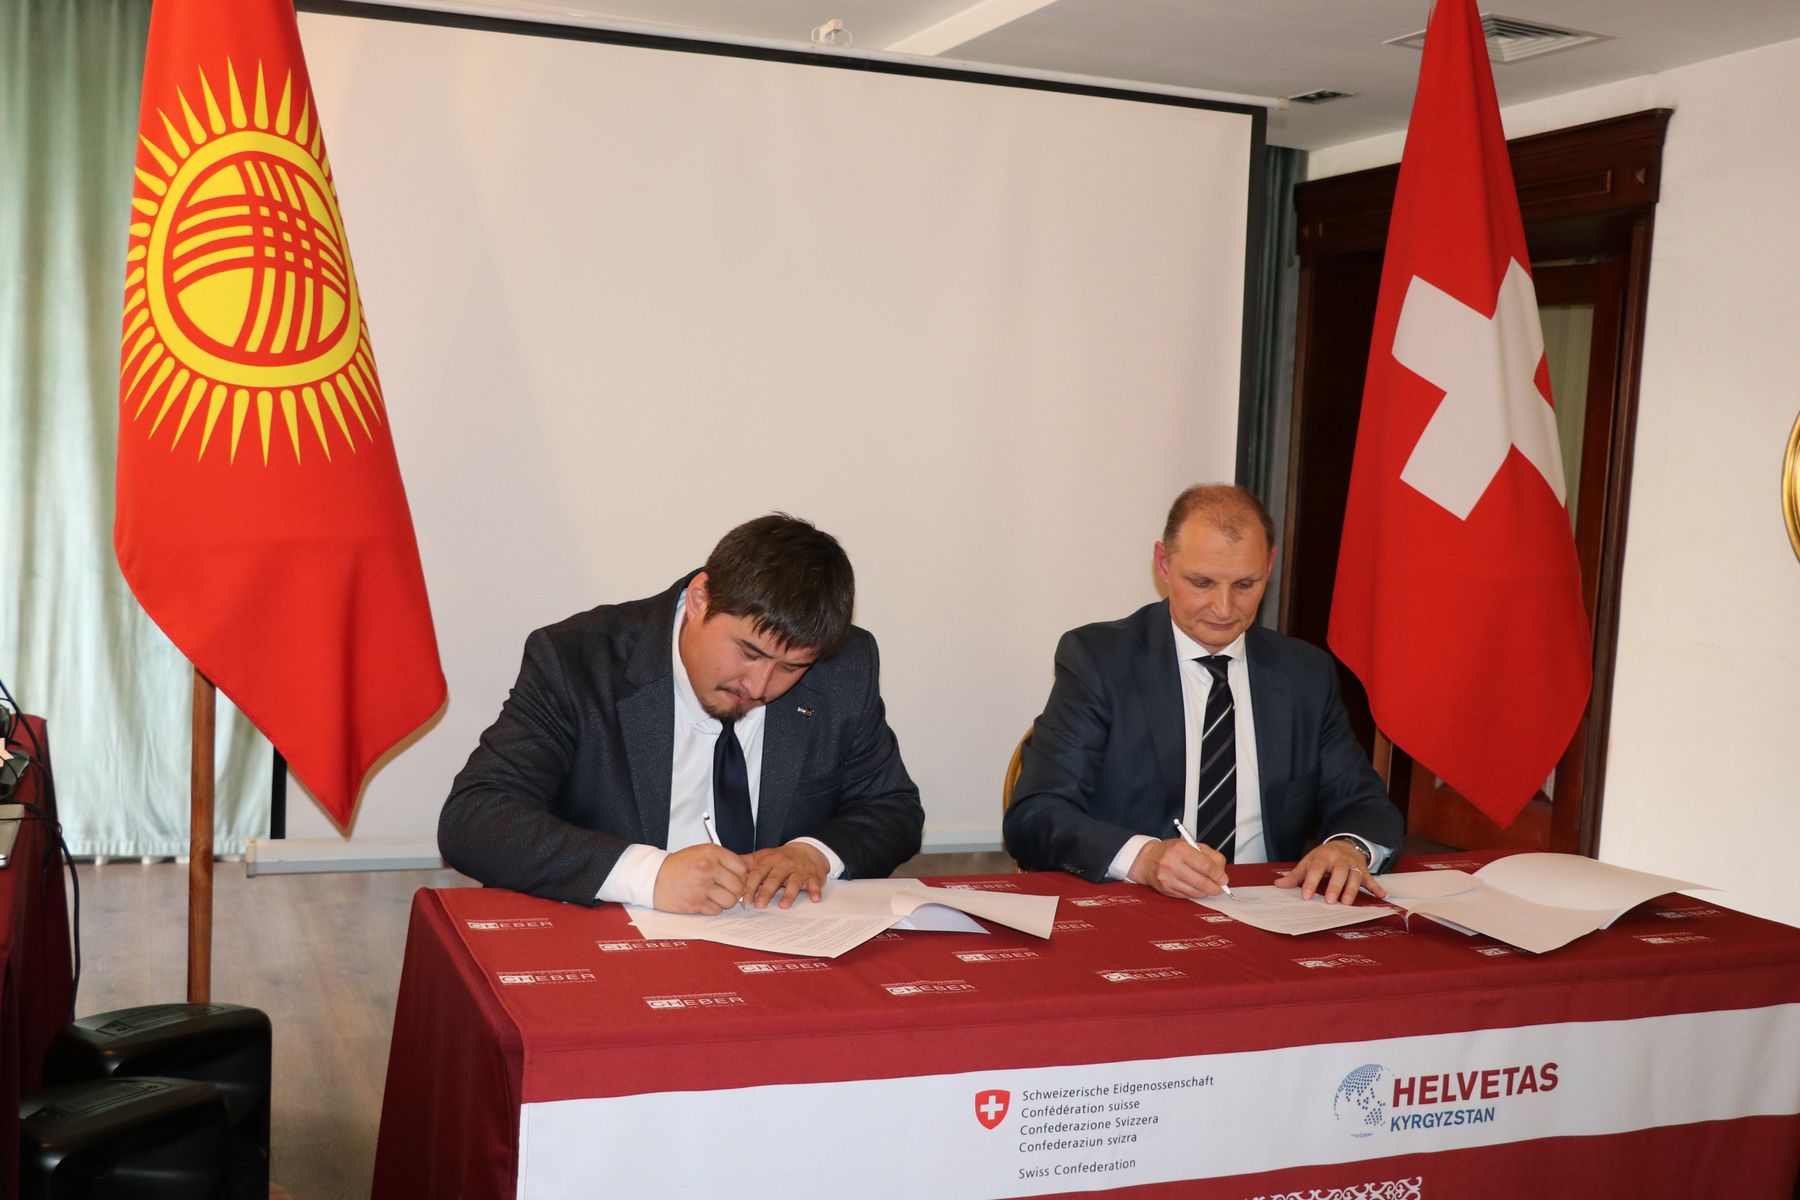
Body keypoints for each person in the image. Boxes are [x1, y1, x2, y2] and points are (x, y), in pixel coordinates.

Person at [440, 513, 923, 913]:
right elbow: (474, 819)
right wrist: (648, 874)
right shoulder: (579, 661)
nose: (759, 687)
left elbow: (892, 808)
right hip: (612, 944)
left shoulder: (845, 668)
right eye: (749, 653)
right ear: (699, 600)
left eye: (791, 668)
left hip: (776, 940)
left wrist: (814, 854)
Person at [1003, 484, 1403, 905]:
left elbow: (1365, 804)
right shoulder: (1099, 661)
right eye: (1202, 582)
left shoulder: (1305, 674)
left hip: (1270, 910)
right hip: (1134, 909)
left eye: (1245, 584)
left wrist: (1348, 847)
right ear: (1163, 563)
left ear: (1270, 566)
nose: (1224, 608)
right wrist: (1143, 858)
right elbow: (1036, 814)